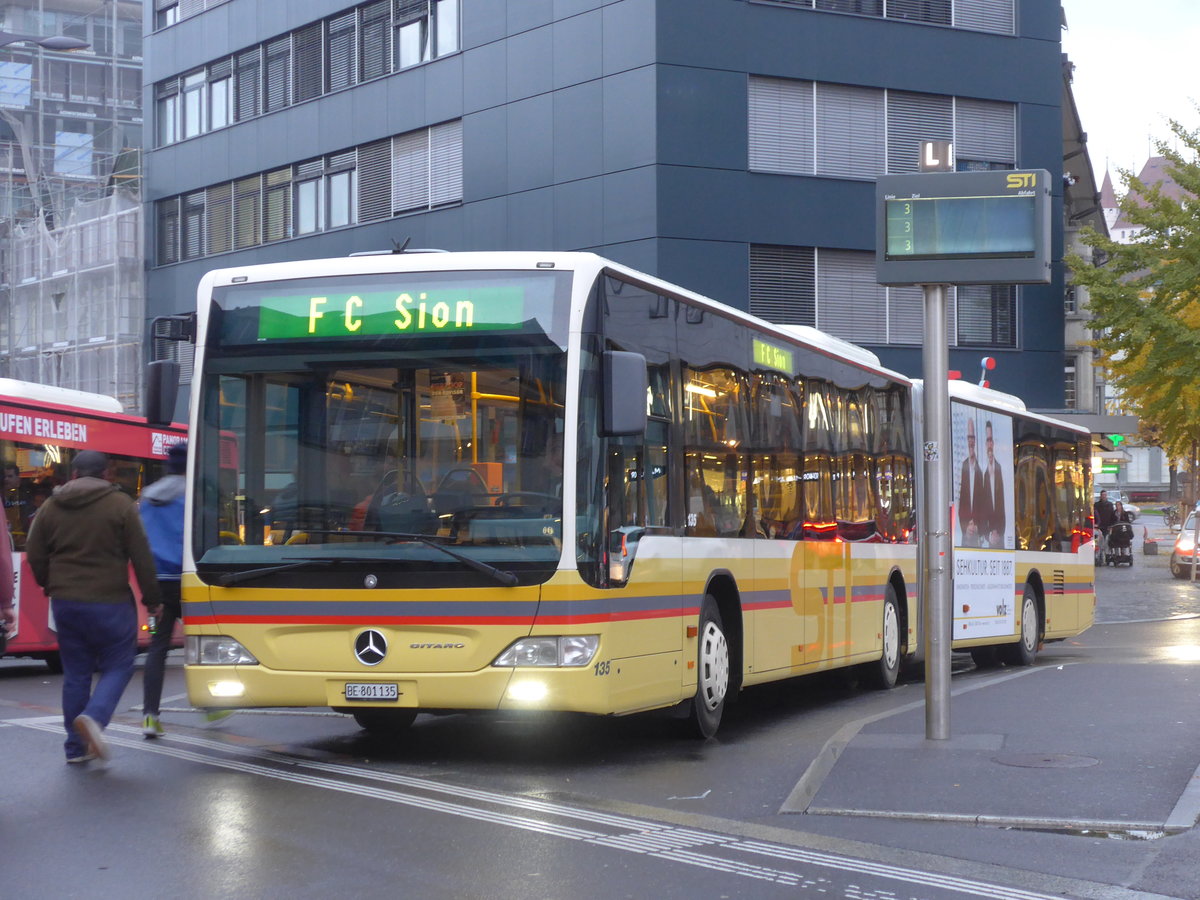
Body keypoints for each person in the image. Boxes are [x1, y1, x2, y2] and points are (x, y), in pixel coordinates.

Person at [25, 450, 162, 764]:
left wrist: (50, 584)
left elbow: (35, 552)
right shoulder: (120, 505)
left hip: (65, 603)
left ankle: (75, 748)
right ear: (106, 474)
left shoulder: (50, 506)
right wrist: (152, 599)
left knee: (76, 673)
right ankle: (95, 717)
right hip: (110, 601)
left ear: (73, 474)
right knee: (120, 664)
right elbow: (141, 555)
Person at [139, 441, 187, 738]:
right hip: (186, 578)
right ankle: (213, 706)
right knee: (202, 641)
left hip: (157, 580)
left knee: (158, 648)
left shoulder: (147, 495)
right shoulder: (191, 493)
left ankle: (149, 716)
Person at [957, 418, 985, 547]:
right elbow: (959, 501)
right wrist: (965, 526)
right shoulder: (961, 467)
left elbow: (987, 504)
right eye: (969, 438)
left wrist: (978, 526)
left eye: (973, 438)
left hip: (978, 536)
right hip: (964, 535)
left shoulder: (983, 469)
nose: (971, 442)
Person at [981, 420, 1005, 548]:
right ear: (985, 444)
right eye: (987, 440)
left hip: (1002, 537)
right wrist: (988, 535)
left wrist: (999, 533)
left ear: (993, 443)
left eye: (991, 440)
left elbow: (1003, 506)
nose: (989, 444)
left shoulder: (1001, 469)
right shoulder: (981, 472)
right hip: (987, 539)